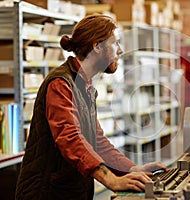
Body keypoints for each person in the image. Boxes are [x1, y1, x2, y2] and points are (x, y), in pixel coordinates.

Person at [15, 14, 167, 200]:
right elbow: (70, 139)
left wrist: (130, 169)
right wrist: (112, 180)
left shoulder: (84, 86)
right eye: (115, 43)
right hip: (46, 193)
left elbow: (97, 141)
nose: (120, 50)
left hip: (71, 190)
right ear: (97, 46)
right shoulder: (60, 84)